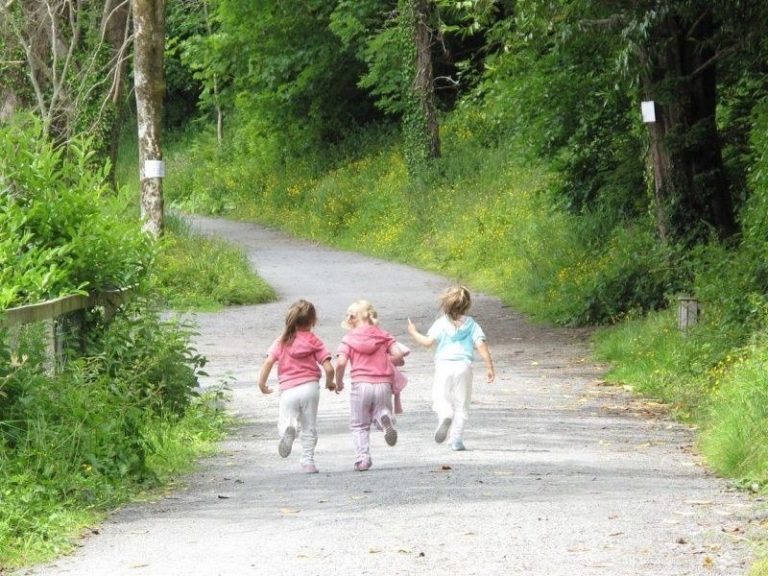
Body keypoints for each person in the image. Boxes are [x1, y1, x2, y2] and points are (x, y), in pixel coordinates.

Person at [407, 285, 495, 451]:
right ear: (467, 305)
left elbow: (427, 343)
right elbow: (481, 345)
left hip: (444, 366)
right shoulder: (472, 325)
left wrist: (413, 332)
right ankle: (456, 439)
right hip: (464, 366)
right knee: (462, 404)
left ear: (445, 304)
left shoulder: (441, 323)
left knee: (441, 398)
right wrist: (489, 366)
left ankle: (445, 414)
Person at [258, 299, 334, 474]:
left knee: (286, 420)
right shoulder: (314, 341)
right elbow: (329, 368)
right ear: (313, 320)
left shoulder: (282, 341)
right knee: (309, 426)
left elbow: (269, 361)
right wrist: (330, 382)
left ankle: (288, 428)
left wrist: (261, 383)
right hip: (310, 388)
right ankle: (308, 462)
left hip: (289, 389)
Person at [335, 300, 405, 471]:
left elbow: (341, 363)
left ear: (351, 319)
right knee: (381, 410)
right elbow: (399, 357)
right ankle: (383, 419)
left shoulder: (348, 339)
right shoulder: (384, 335)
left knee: (359, 424)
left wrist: (338, 382)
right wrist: (386, 360)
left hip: (361, 384)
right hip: (383, 384)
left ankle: (363, 459)